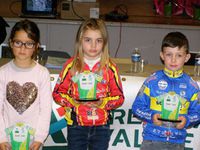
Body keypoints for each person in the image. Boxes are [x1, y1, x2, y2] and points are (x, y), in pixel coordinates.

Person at [52, 18, 124, 150]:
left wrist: (102, 102)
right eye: (88, 40)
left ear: (104, 43)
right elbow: (57, 93)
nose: (93, 45)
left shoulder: (109, 67)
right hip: (76, 126)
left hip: (101, 126)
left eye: (99, 40)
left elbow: (119, 97)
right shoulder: (71, 65)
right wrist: (73, 102)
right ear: (80, 41)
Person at [132, 32, 200, 150]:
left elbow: (198, 113)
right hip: (152, 139)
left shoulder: (192, 86)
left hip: (177, 142)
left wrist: (187, 120)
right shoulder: (152, 81)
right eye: (169, 54)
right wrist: (151, 116)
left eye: (179, 55)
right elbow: (136, 107)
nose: (173, 60)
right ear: (162, 56)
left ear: (187, 57)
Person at [0, 19, 52, 150]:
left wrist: (40, 137)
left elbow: (45, 109)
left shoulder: (42, 73)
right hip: (7, 143)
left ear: (36, 46)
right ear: (11, 43)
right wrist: (1, 138)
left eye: (29, 44)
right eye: (18, 42)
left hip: (33, 142)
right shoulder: (3, 73)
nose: (23, 48)